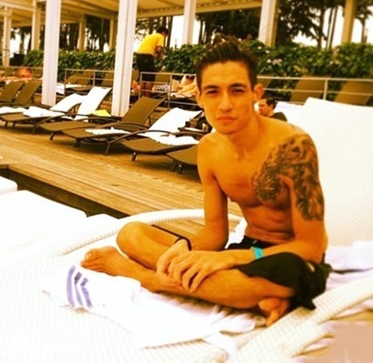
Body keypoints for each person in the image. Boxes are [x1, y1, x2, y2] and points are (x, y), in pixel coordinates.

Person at [81, 42, 330, 327]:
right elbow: (215, 233)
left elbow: (312, 247)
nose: (225, 104)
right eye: (213, 92)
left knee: (269, 278)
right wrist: (186, 248)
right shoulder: (209, 150)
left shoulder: (293, 147)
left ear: (256, 93)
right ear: (198, 97)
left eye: (236, 91)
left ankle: (145, 277)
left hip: (291, 258)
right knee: (131, 233)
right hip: (247, 247)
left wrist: (230, 259)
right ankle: (247, 296)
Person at [134, 26, 169, 96]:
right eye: (165, 36)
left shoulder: (150, 36)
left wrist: (154, 55)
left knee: (143, 77)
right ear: (163, 33)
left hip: (139, 56)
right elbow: (159, 49)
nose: (165, 38)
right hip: (147, 56)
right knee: (150, 78)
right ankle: (147, 97)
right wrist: (161, 56)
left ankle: (141, 97)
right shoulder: (160, 36)